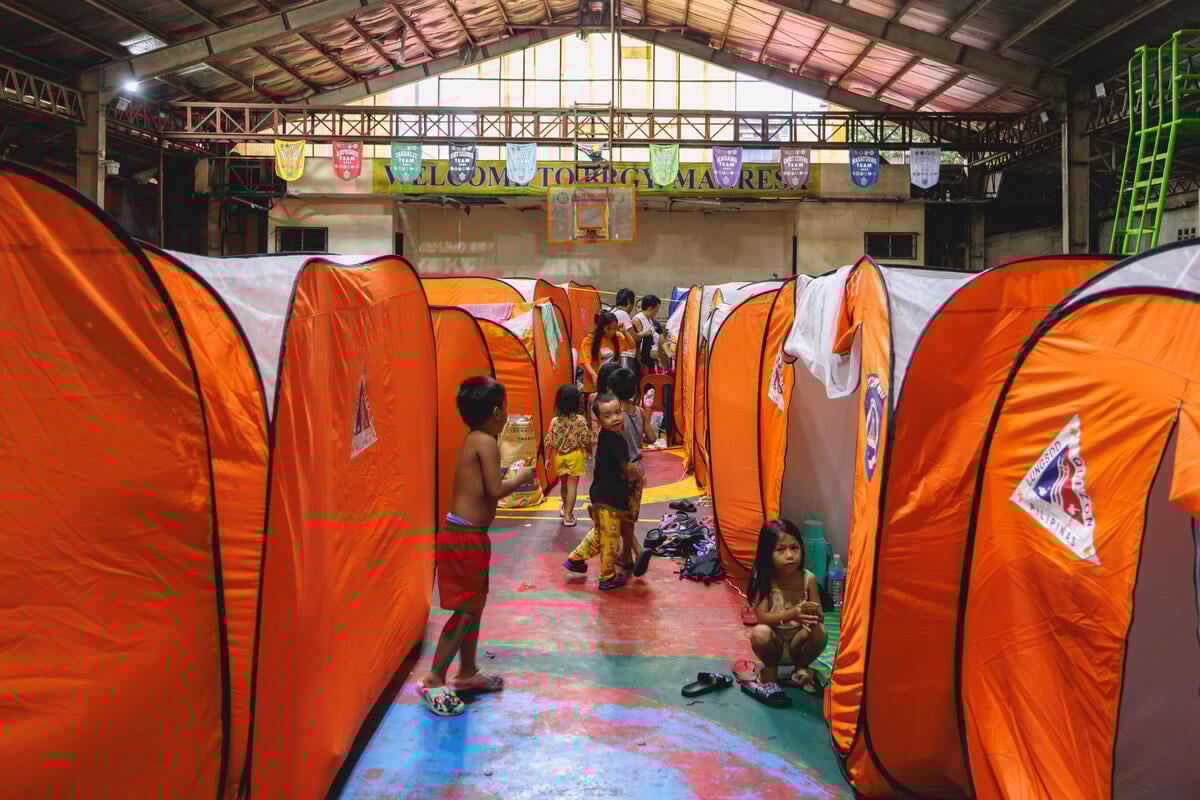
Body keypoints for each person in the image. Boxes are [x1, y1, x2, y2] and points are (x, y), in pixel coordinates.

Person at [418, 376, 536, 716]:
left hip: (471, 537)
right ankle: (433, 678)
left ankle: (467, 672)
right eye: (507, 409)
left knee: (476, 605)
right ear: (497, 412)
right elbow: (495, 490)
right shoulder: (485, 441)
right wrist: (523, 477)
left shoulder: (475, 439)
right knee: (466, 610)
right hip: (464, 538)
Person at [563, 394, 643, 590]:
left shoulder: (612, 437)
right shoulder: (614, 441)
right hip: (609, 497)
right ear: (598, 421)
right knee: (610, 538)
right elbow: (626, 468)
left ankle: (575, 558)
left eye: (617, 413)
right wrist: (639, 474)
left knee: (601, 533)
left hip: (603, 495)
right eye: (608, 416)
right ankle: (607, 577)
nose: (615, 418)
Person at [742, 519, 826, 706]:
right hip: (775, 643)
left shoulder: (808, 579)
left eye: (795, 548)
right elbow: (762, 617)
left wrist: (814, 615)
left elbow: (819, 612)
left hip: (799, 643)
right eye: (781, 550)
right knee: (759, 632)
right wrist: (794, 613)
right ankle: (769, 669)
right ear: (767, 554)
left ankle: (801, 668)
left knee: (821, 630)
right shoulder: (764, 578)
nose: (790, 556)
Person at [609, 367, 656, 576]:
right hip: (639, 468)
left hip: (622, 469)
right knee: (629, 515)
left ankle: (635, 552)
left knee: (619, 514)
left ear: (613, 390)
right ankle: (626, 556)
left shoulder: (615, 414)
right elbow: (653, 438)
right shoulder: (640, 411)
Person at [544, 384, 590, 527]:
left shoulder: (554, 422)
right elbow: (585, 440)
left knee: (563, 485)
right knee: (572, 487)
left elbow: (550, 442)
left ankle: (565, 508)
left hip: (560, 457)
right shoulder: (580, 421)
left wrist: (547, 458)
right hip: (575, 456)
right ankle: (569, 516)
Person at [579, 310, 621, 423]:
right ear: (601, 327)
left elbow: (631, 345)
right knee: (592, 415)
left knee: (609, 414)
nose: (612, 331)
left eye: (614, 328)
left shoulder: (615, 338)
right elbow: (585, 360)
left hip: (610, 383)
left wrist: (624, 331)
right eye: (609, 328)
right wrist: (593, 375)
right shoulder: (589, 340)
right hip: (593, 383)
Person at [632, 294, 662, 373]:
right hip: (643, 363)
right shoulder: (638, 320)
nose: (657, 312)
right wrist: (641, 364)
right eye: (657, 309)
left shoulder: (649, 320)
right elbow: (636, 344)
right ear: (650, 309)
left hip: (651, 361)